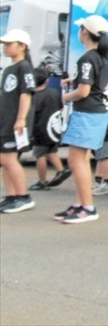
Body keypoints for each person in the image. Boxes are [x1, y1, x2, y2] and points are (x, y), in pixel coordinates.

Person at [54, 15, 108, 224]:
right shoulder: (102, 57)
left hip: (87, 112)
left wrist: (63, 97)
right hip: (99, 112)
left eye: (81, 28)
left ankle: (88, 207)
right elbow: (101, 86)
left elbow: (83, 92)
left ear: (85, 32)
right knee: (83, 158)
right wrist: (76, 80)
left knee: (76, 160)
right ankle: (80, 204)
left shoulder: (87, 58)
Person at [0, 29, 36, 214]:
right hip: (5, 121)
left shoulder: (24, 67)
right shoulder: (8, 69)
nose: (5, 47)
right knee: (5, 160)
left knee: (8, 158)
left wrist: (21, 119)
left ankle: (23, 196)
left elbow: (26, 93)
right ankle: (11, 196)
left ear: (22, 46)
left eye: (9, 44)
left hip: (15, 121)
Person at [29, 66, 70, 191]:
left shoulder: (33, 97)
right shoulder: (54, 92)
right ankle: (61, 170)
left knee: (39, 155)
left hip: (40, 130)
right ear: (46, 81)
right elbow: (62, 107)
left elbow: (30, 114)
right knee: (51, 152)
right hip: (54, 129)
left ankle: (42, 181)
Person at [92, 92, 108, 196]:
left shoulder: (100, 94)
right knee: (100, 156)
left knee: (104, 157)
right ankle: (98, 181)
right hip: (104, 128)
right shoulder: (106, 93)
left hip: (106, 129)